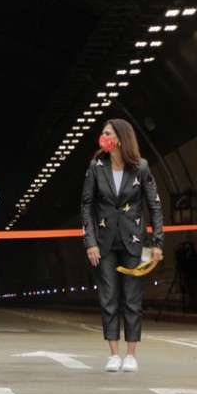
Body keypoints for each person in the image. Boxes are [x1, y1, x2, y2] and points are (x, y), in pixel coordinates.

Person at [80, 119, 165, 373]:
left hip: (134, 243)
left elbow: (155, 205)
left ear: (120, 138)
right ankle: (113, 354)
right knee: (108, 298)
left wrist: (157, 242)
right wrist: (90, 241)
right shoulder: (96, 167)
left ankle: (131, 354)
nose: (102, 137)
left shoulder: (141, 168)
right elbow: (86, 205)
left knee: (132, 298)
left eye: (107, 133)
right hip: (104, 244)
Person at [175, 240, 197, 313]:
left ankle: (194, 308)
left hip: (193, 276)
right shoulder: (184, 256)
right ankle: (190, 307)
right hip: (187, 276)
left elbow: (194, 265)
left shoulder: (195, 255)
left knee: (194, 292)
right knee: (189, 292)